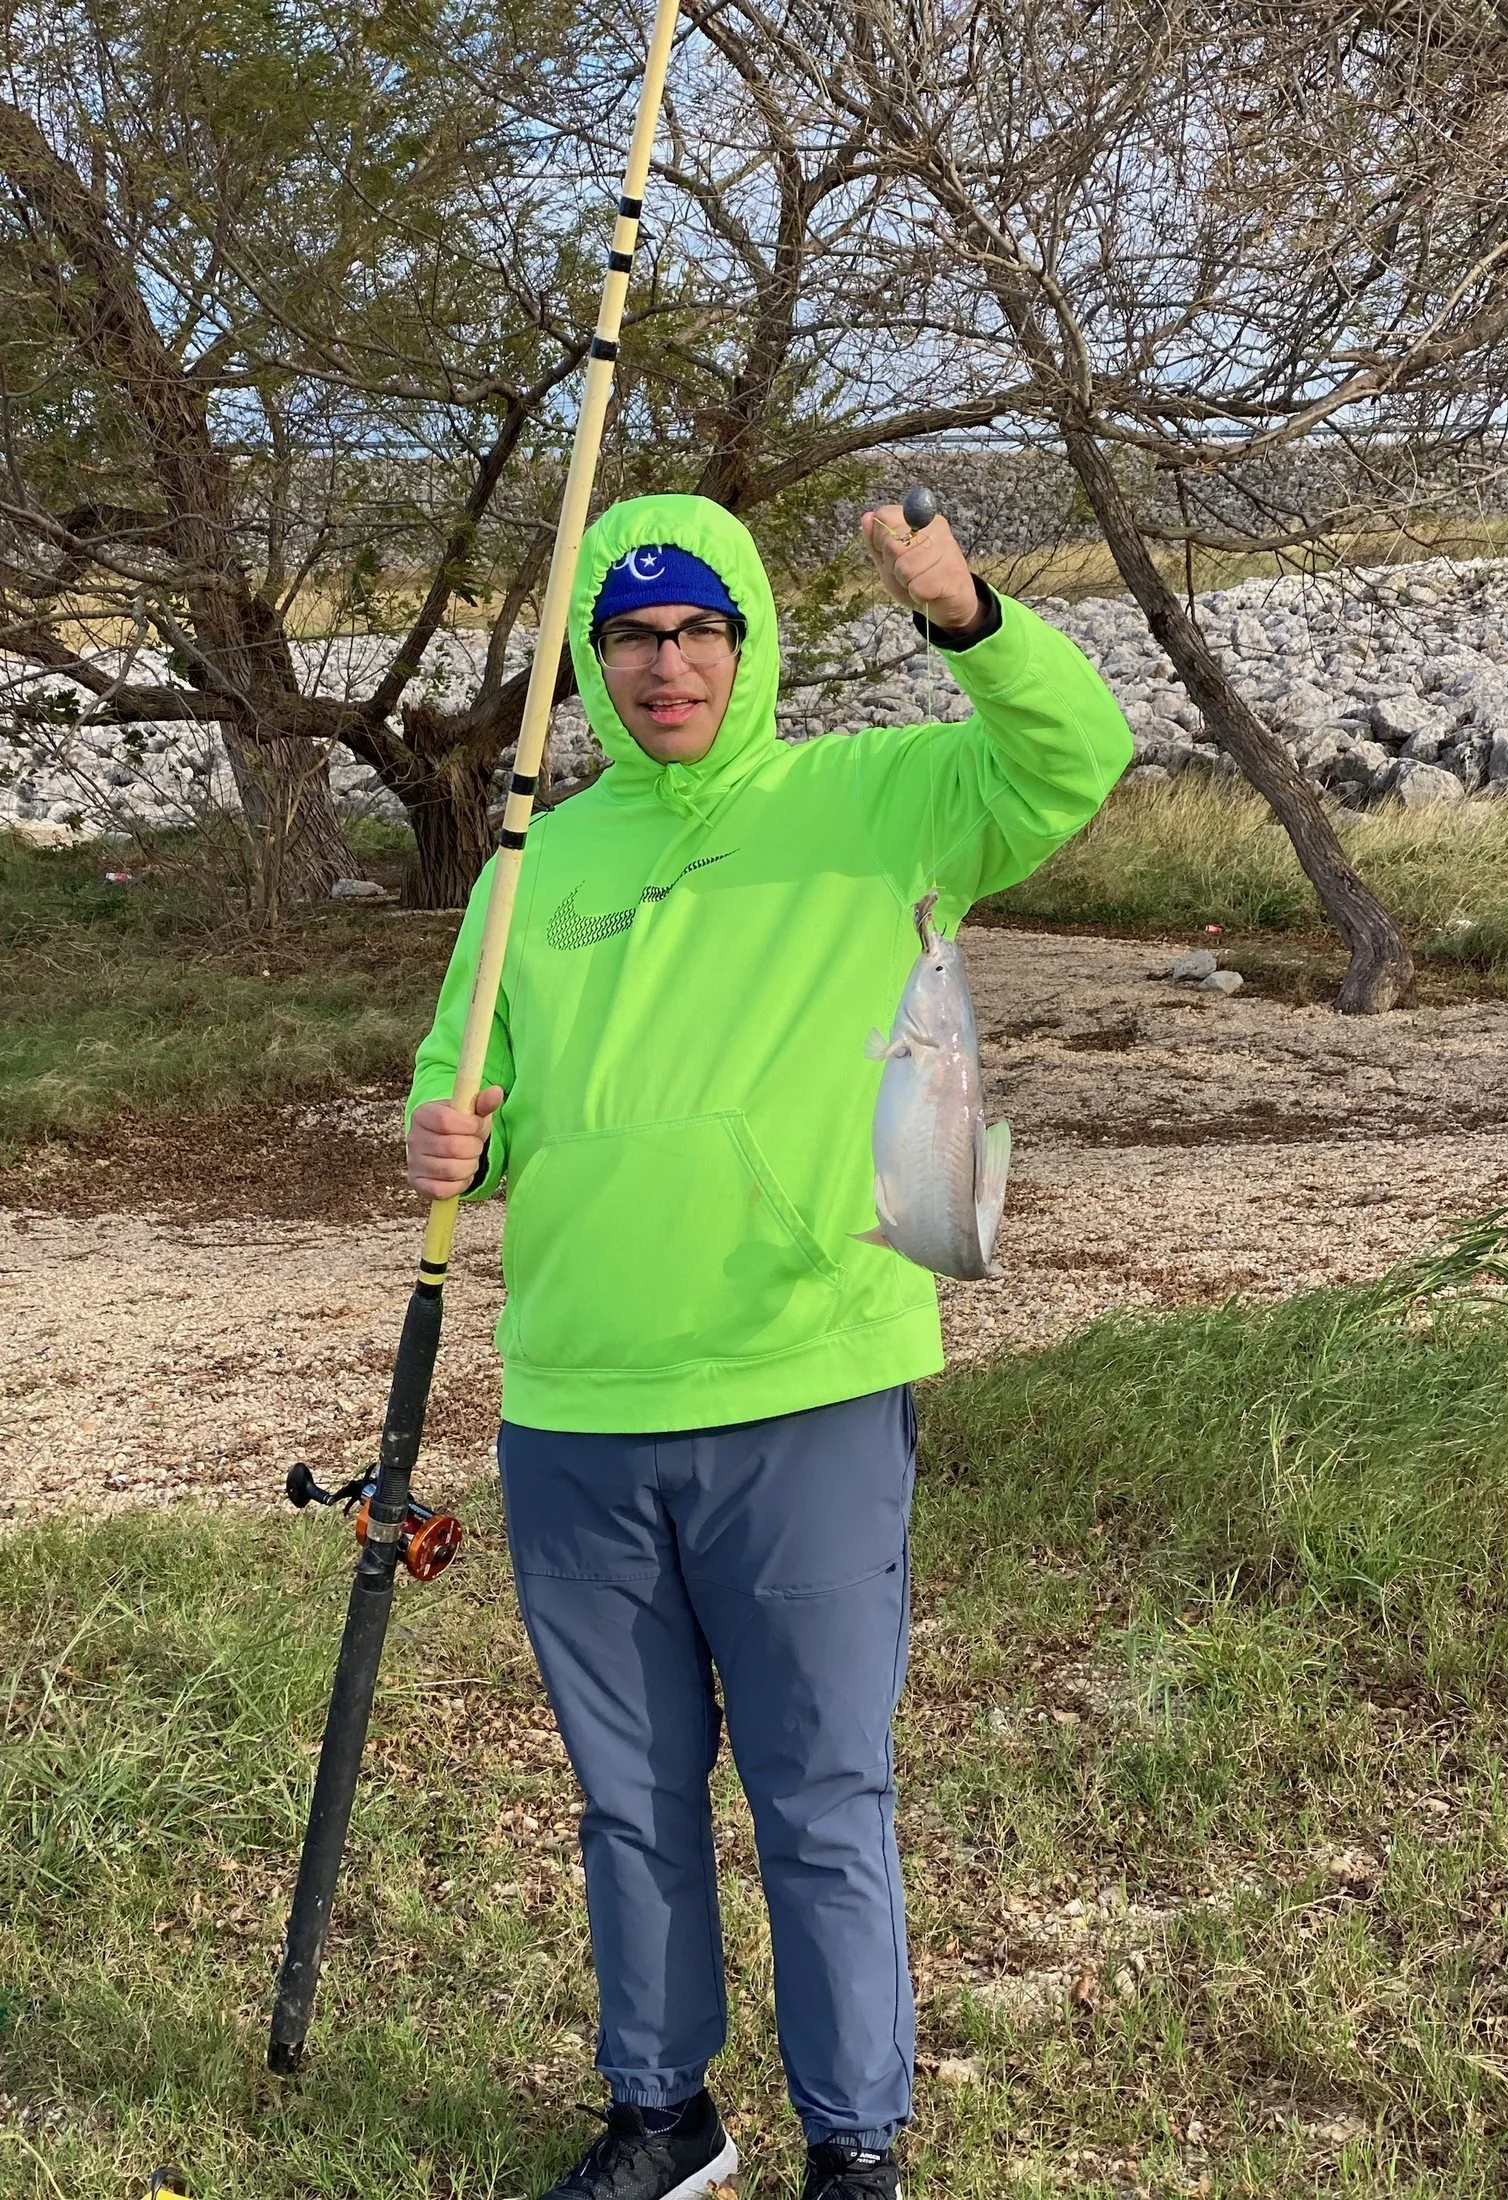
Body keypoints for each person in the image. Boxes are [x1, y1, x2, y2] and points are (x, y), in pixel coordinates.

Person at [406, 493, 1132, 2200]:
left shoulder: (878, 800)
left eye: (700, 631)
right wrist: (445, 1145)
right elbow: (469, 1089)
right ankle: (663, 2115)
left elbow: (1071, 759)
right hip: (576, 1399)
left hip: (805, 1380)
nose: (667, 665)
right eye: (633, 637)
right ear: (594, 663)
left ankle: (853, 2146)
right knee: (630, 1800)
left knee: (820, 1794)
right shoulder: (540, 858)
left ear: (750, 648)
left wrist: (966, 614)